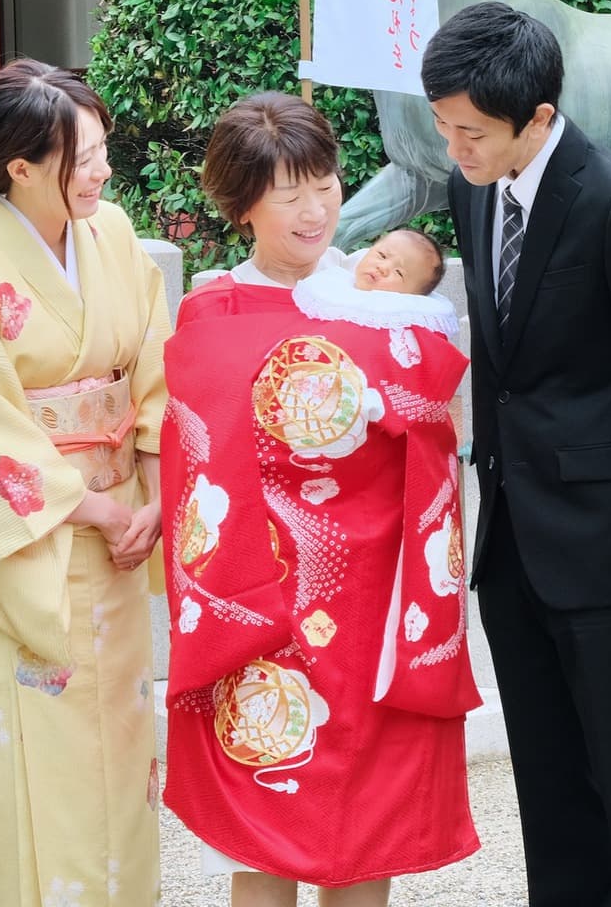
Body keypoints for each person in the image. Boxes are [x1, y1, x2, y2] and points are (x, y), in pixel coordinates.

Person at [422, 0, 611, 907]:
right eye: (445, 127)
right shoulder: (472, 190)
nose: (455, 148)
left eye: (471, 132)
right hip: (512, 544)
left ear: (540, 118)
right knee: (548, 792)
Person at [162, 91, 479, 907]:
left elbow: (434, 419)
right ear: (242, 204)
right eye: (289, 192)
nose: (316, 208)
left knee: (362, 832)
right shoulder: (215, 306)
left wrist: (392, 410)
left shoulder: (380, 294)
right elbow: (198, 467)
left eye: (327, 182)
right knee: (264, 822)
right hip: (257, 604)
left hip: (371, 600)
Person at [0, 59, 169, 906]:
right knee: (37, 754)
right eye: (83, 157)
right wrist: (89, 506)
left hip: (126, 533)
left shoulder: (113, 235)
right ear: (20, 166)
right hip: (36, 551)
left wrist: (154, 494)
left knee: (123, 749)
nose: (104, 172)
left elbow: (156, 370)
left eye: (102, 151)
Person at [352, 227, 447, 296]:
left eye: (399, 273)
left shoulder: (396, 318)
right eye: (382, 255)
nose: (383, 268)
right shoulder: (340, 275)